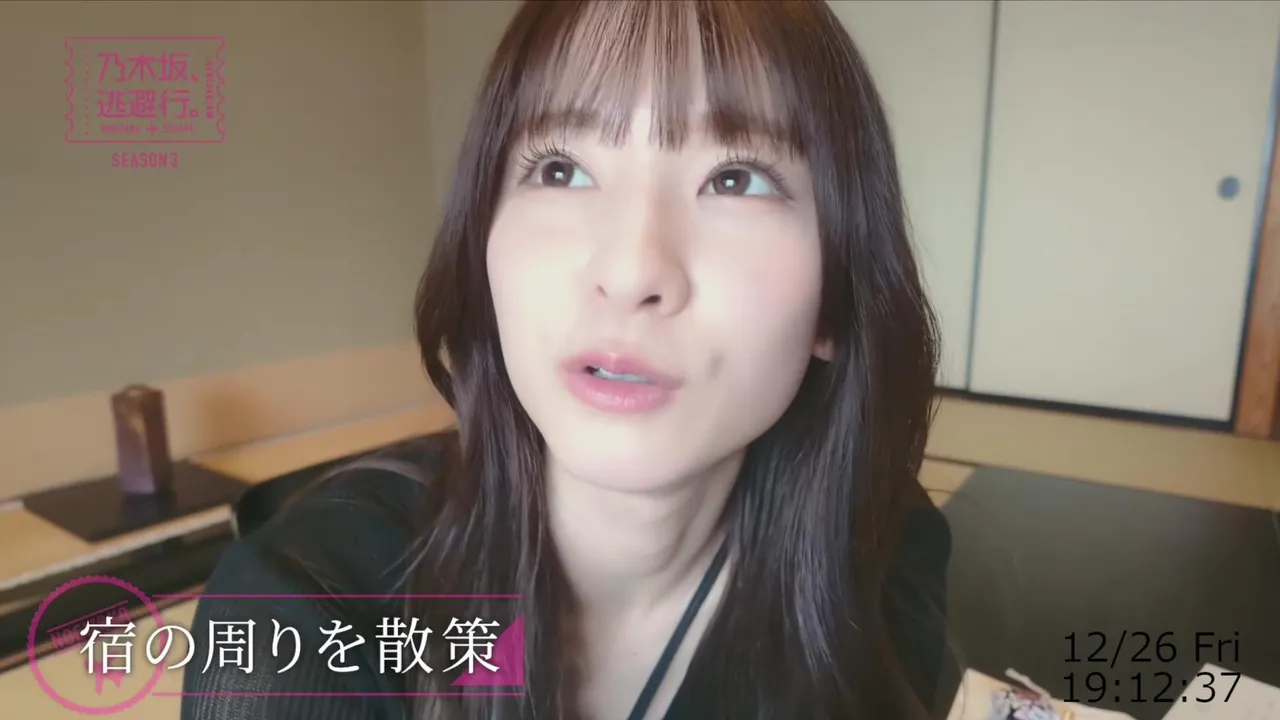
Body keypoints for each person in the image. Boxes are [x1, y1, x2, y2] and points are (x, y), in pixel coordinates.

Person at [181, 1, 952, 718]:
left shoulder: (882, 549)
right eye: (561, 169)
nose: (631, 270)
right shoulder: (300, 617)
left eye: (735, 179)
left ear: (838, 298)